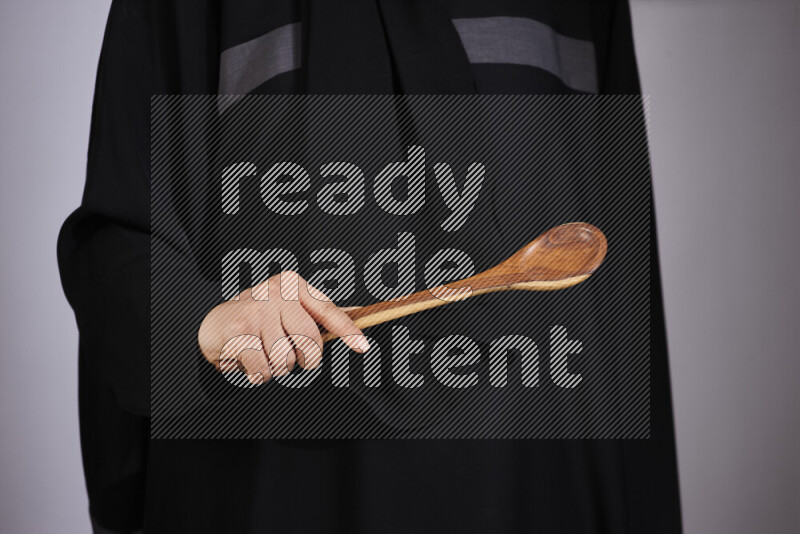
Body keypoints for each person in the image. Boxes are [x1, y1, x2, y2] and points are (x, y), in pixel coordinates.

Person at [58, 1, 682, 532]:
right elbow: (120, 229)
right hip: (266, 480)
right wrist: (198, 322)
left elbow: (617, 271)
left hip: (541, 480)